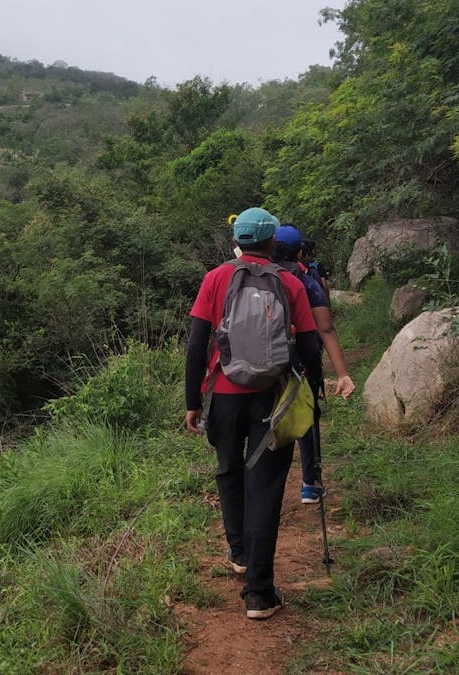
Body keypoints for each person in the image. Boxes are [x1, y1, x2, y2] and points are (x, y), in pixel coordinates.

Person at [183, 207, 322, 620]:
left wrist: (193, 401)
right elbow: (311, 346)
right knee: (264, 486)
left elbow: (196, 344)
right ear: (272, 243)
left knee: (228, 469)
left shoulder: (215, 278)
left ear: (239, 241)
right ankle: (259, 593)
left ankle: (239, 552)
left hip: (223, 396)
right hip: (271, 398)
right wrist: (313, 394)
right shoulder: (290, 282)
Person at [273, 225, 356, 503]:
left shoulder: (250, 276)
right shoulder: (306, 280)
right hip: (300, 359)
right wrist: (341, 373)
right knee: (306, 414)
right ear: (300, 252)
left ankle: (265, 486)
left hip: (260, 361)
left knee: (267, 416)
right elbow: (326, 329)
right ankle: (310, 484)